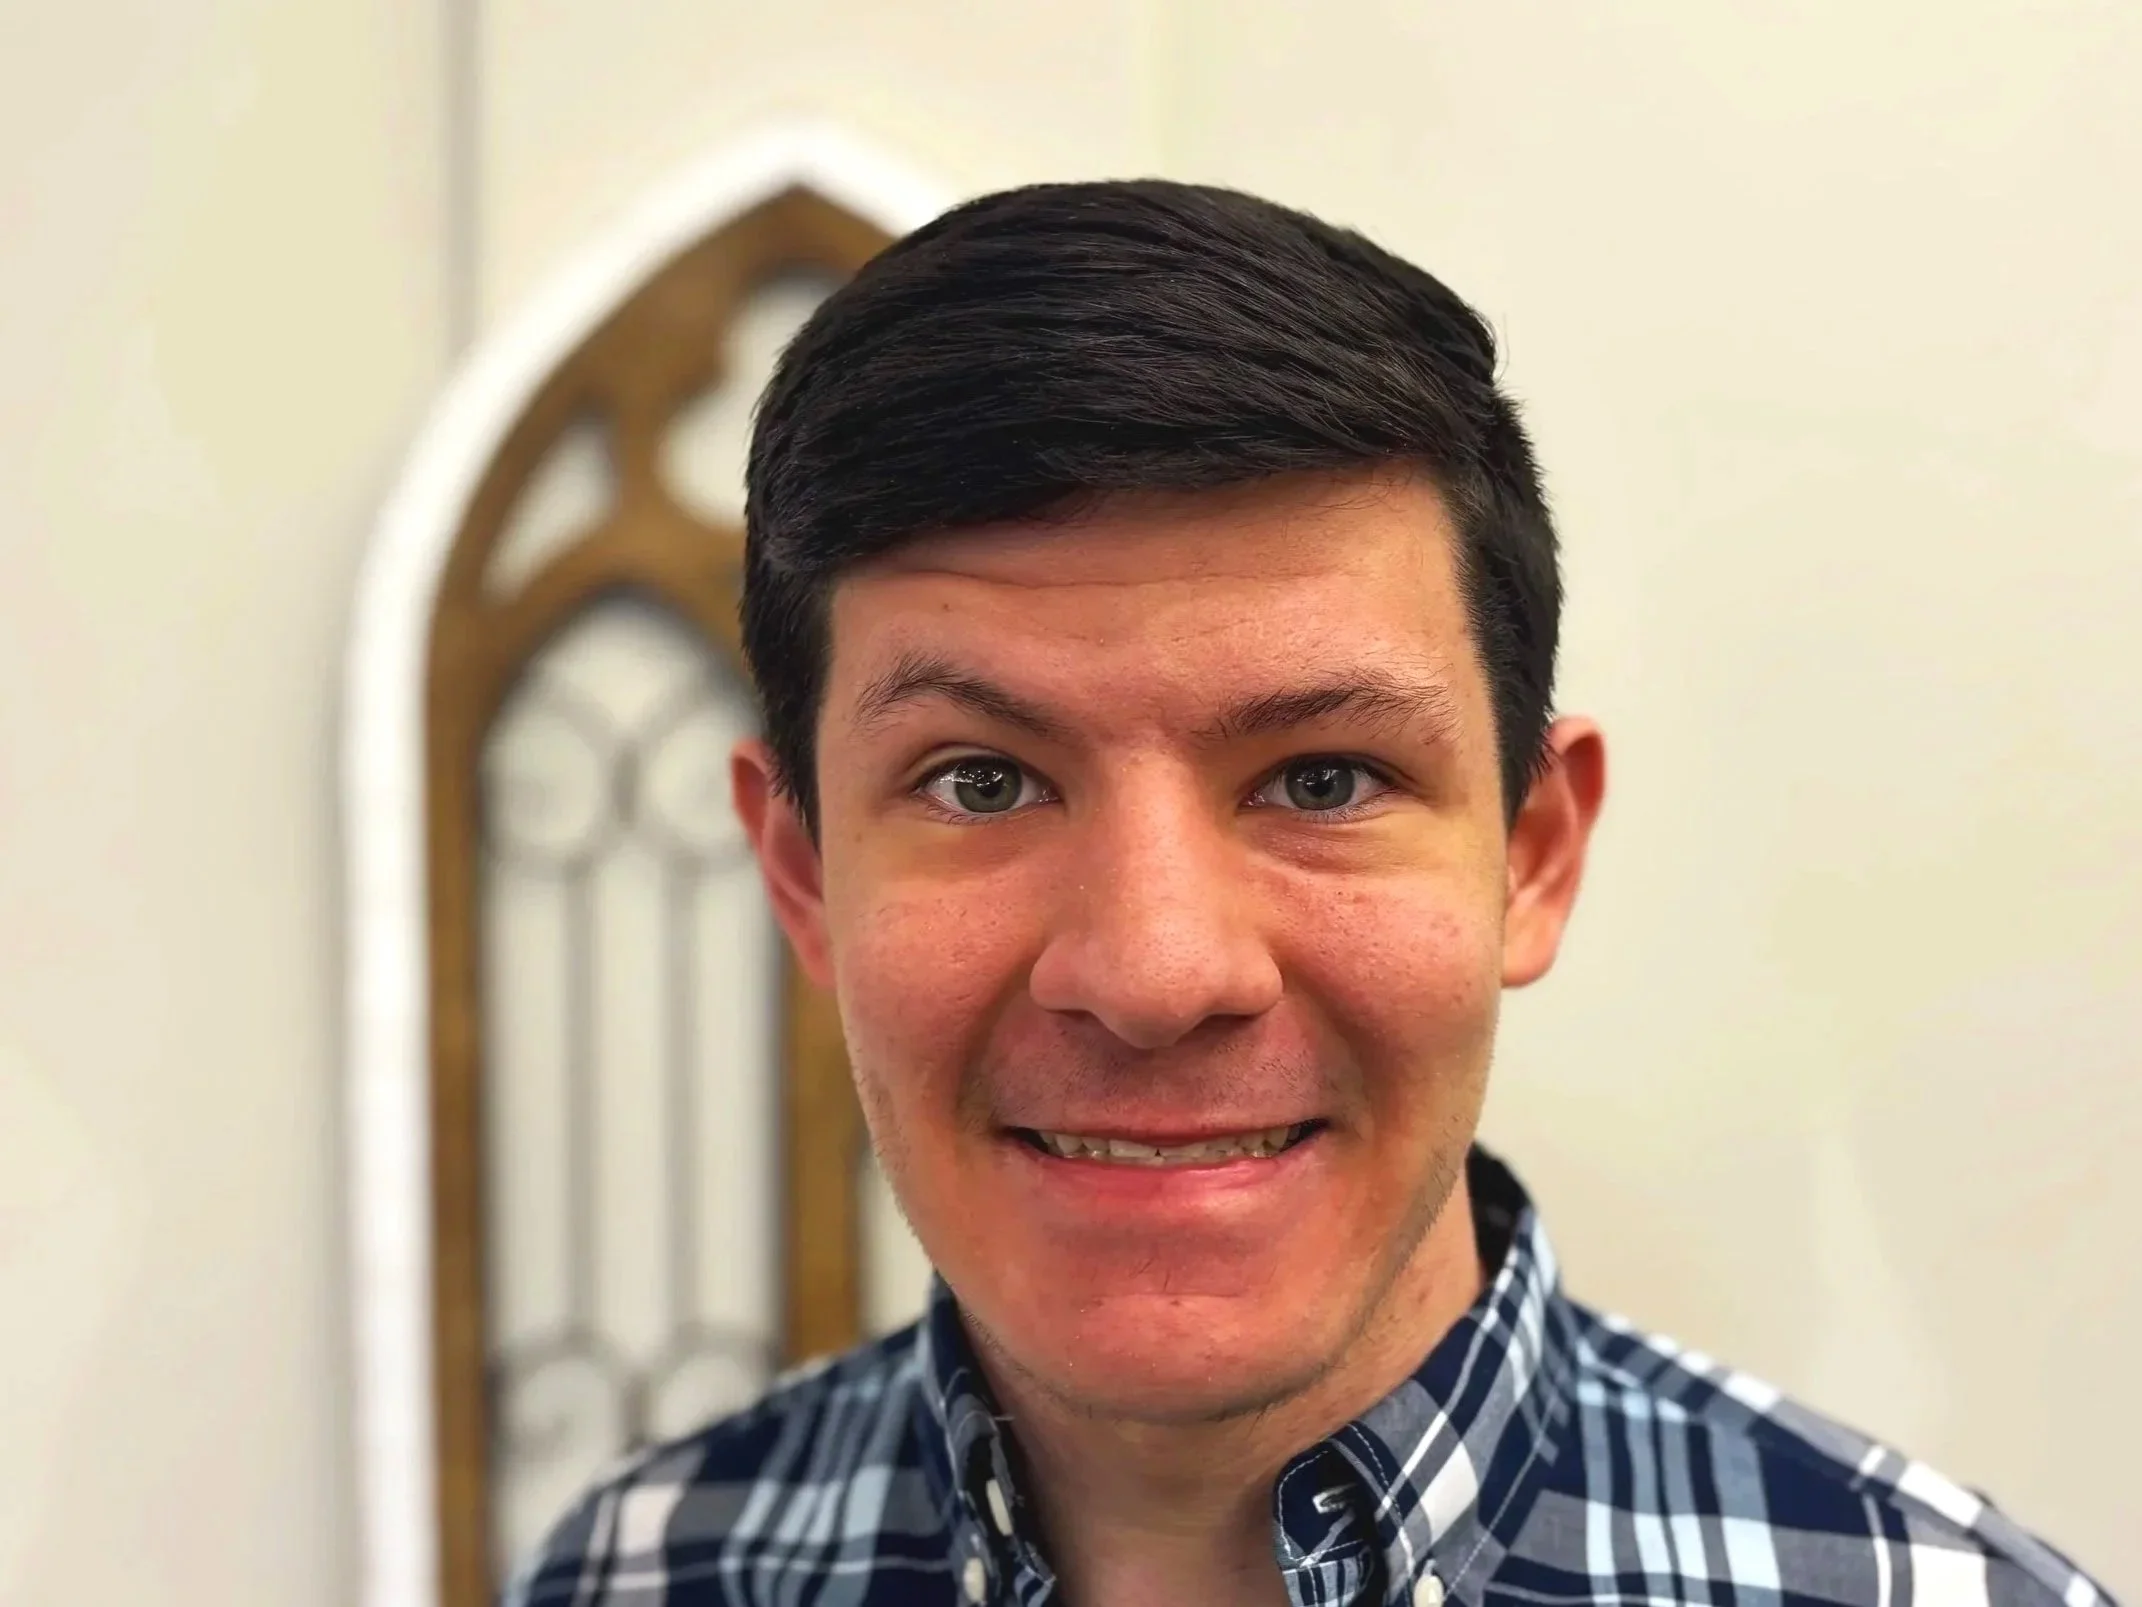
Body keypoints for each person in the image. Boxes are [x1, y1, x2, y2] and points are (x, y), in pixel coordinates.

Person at [505, 181, 2113, 1607]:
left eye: (1322, 778)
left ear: (1531, 855)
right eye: (982, 779)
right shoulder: (639, 1570)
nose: (1153, 968)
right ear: (802, 878)